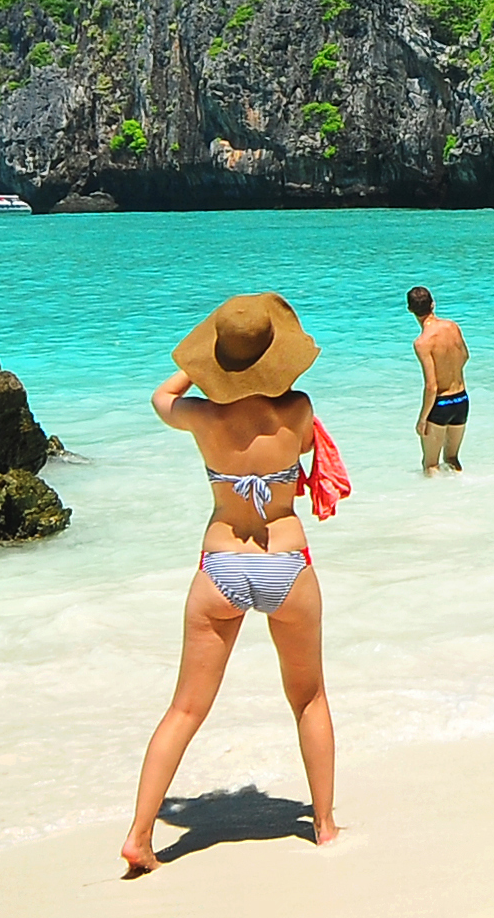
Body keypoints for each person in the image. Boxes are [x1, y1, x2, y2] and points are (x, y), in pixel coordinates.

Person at [124, 292, 339, 874]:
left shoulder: (204, 417)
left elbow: (160, 398)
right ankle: (322, 825)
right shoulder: (297, 408)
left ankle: (141, 837)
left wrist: (200, 368)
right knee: (309, 698)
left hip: (219, 564)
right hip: (285, 561)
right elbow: (310, 450)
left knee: (185, 710)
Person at [409, 283, 470, 475]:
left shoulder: (422, 342)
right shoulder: (453, 327)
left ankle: (435, 502)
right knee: (452, 459)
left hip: (441, 405)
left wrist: (422, 418)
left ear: (410, 310)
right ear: (433, 304)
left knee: (431, 465)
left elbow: (431, 386)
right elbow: (465, 356)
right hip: (461, 400)